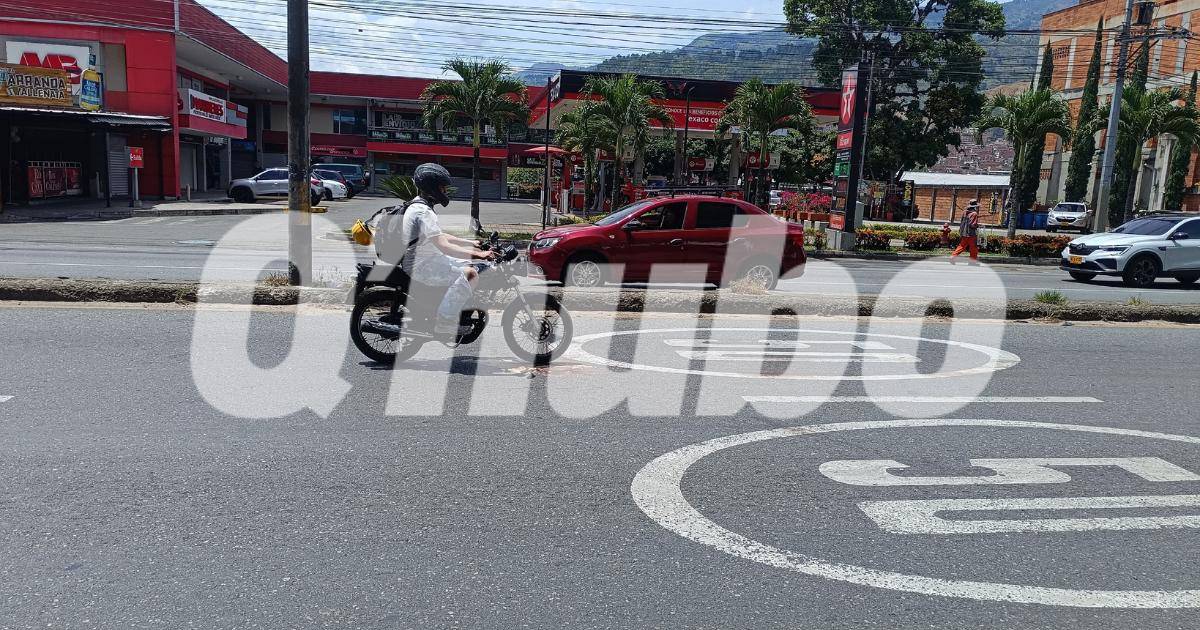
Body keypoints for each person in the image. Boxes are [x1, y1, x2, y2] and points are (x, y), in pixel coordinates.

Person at [378, 163, 497, 334]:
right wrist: (480, 255)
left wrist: (469, 243)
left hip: (427, 259)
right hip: (420, 265)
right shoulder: (423, 212)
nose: (445, 192)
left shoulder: (419, 206)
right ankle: (445, 322)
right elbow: (444, 246)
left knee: (470, 265)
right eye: (443, 188)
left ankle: (453, 308)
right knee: (471, 274)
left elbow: (439, 236)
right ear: (432, 188)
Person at [951, 199, 981, 263]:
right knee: (973, 248)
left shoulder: (965, 212)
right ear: (975, 206)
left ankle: (953, 256)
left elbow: (962, 222)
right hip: (971, 234)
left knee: (961, 246)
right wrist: (977, 226)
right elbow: (972, 225)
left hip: (964, 232)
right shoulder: (974, 214)